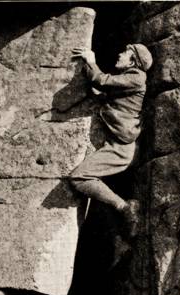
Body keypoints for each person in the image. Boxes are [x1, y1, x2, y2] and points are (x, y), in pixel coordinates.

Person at [69, 44, 153, 237]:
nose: (119, 54)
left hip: (121, 148)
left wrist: (91, 60)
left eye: (125, 52)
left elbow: (102, 81)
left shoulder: (137, 77)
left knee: (79, 177)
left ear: (133, 61)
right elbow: (112, 96)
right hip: (116, 140)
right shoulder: (130, 78)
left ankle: (124, 207)